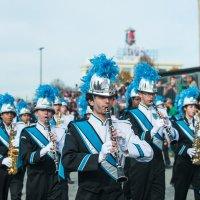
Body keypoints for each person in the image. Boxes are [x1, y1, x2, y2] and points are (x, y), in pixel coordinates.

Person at [61, 54, 153, 200]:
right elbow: (67, 160)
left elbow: (148, 153)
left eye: (110, 97)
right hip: (88, 195)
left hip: (116, 193)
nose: (107, 101)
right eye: (102, 97)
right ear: (91, 100)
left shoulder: (122, 126)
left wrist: (126, 147)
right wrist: (99, 157)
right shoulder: (77, 128)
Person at [122, 62, 178, 200]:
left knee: (159, 196)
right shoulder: (131, 114)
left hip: (158, 161)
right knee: (140, 196)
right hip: (140, 163)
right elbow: (135, 138)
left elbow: (173, 137)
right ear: (140, 93)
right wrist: (154, 129)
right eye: (147, 93)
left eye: (152, 93)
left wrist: (169, 127)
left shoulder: (158, 111)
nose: (151, 96)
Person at [19, 84, 65, 200]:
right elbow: (26, 158)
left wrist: (59, 147)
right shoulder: (27, 132)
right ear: (36, 113)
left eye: (49, 111)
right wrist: (45, 149)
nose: (46, 113)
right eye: (42, 110)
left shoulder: (59, 131)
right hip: (36, 180)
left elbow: (67, 156)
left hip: (55, 179)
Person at [172, 87, 200, 200]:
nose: (194, 109)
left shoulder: (199, 121)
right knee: (180, 194)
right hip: (183, 164)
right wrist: (186, 150)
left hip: (198, 165)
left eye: (195, 106)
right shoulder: (177, 123)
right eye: (191, 106)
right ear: (184, 108)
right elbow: (174, 145)